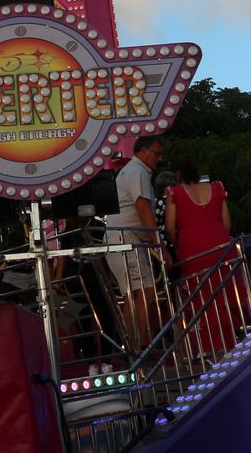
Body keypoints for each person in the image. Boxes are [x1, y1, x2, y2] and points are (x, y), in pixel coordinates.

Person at [165, 156, 245, 356]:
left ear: (178, 175)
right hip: (220, 243)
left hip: (192, 246)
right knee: (224, 293)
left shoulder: (174, 193)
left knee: (201, 295)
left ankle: (209, 347)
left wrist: (177, 245)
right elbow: (227, 223)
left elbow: (169, 227)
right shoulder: (217, 187)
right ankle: (229, 343)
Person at [103, 135, 165, 351]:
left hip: (123, 239)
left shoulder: (133, 171)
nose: (159, 158)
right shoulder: (137, 172)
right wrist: (160, 247)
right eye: (157, 153)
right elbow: (143, 209)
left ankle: (136, 345)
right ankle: (139, 345)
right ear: (144, 150)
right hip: (125, 239)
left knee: (136, 292)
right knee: (141, 291)